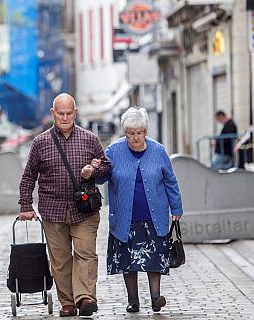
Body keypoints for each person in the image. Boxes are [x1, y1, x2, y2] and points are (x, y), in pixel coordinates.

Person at [18, 93, 111, 317]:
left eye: (69, 113)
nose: (65, 117)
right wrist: (25, 204)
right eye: (61, 113)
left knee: (86, 254)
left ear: (75, 113)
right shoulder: (41, 142)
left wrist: (94, 170)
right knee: (60, 260)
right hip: (53, 210)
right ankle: (67, 302)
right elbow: (28, 175)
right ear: (53, 114)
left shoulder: (90, 139)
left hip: (85, 211)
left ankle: (85, 298)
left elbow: (107, 167)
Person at [95, 107, 183, 313]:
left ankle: (155, 297)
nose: (135, 138)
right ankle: (133, 300)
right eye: (130, 133)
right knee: (128, 262)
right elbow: (101, 179)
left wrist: (176, 207)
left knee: (153, 260)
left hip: (154, 217)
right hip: (125, 218)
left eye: (139, 132)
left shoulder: (158, 151)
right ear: (125, 133)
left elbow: (171, 181)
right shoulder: (114, 151)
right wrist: (95, 169)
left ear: (145, 131)